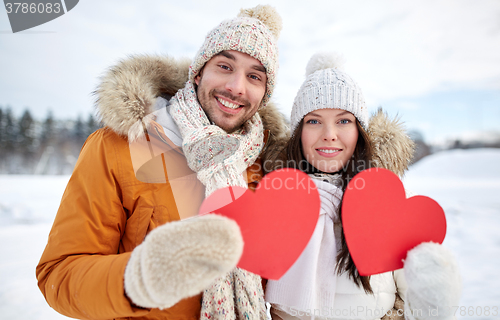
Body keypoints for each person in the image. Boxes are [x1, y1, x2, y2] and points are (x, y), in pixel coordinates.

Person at [36, 5, 289, 320]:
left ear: (264, 94)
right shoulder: (121, 146)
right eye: (225, 66)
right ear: (198, 73)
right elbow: (59, 275)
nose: (237, 86)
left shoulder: (267, 166)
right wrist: (138, 279)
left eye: (254, 76)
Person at [264, 53, 461, 320]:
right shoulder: (272, 202)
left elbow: (413, 306)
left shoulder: (391, 207)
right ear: (298, 133)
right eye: (314, 120)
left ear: (360, 132)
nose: (329, 134)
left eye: (344, 120)